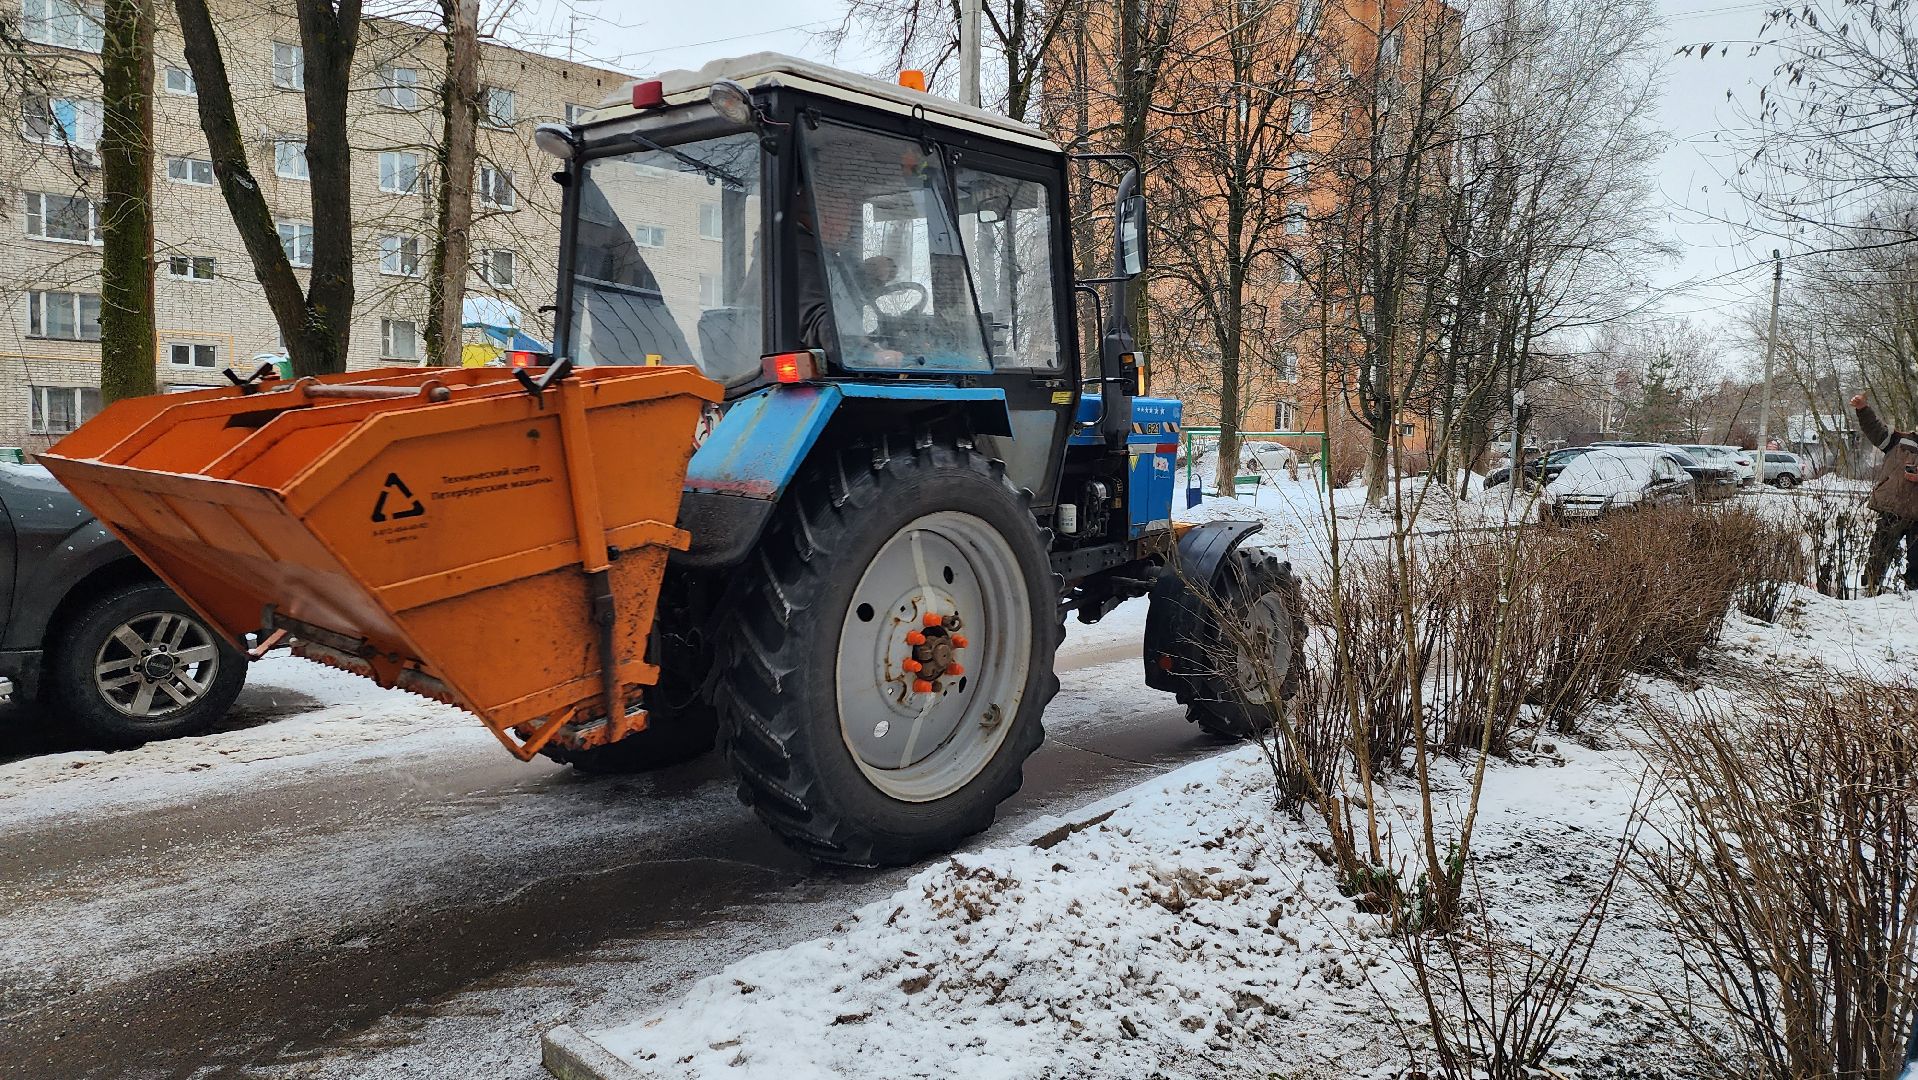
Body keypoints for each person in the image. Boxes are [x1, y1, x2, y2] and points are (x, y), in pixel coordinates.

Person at [1850, 392, 1918, 594]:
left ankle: (1913, 593)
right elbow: (1875, 429)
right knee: (1879, 552)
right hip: (1892, 508)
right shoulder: (1899, 439)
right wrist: (1863, 409)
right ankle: (1869, 588)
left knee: (1917, 559)